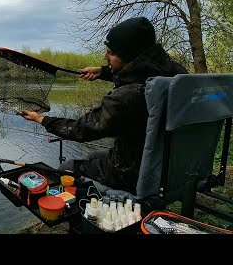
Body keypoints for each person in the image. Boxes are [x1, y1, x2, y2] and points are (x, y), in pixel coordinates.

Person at [21, 17, 188, 195]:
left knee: (68, 167)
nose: (105, 56)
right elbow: (143, 71)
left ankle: (82, 216)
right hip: (172, 164)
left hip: (132, 173)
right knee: (93, 157)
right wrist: (102, 71)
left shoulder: (125, 98)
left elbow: (81, 130)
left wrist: (42, 119)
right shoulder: (176, 74)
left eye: (111, 53)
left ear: (129, 56)